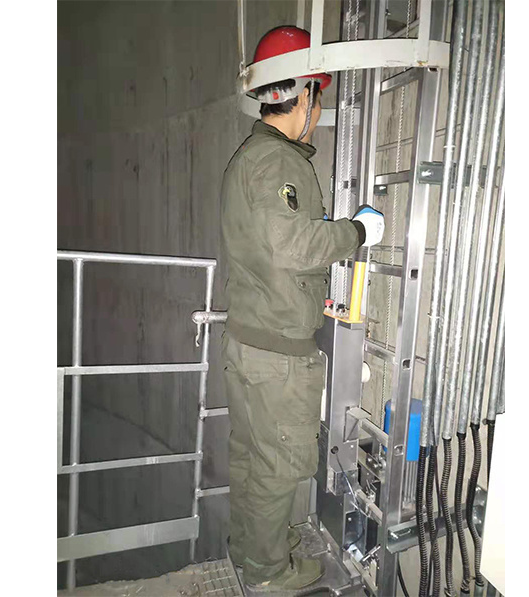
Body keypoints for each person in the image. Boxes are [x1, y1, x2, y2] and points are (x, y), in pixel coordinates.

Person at [220, 26, 385, 592]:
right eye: (317, 92)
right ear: (305, 93)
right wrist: (356, 232)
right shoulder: (276, 161)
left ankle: (252, 549)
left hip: (251, 342)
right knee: (277, 465)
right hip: (277, 356)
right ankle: (268, 574)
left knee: (251, 457)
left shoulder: (250, 160)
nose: (318, 108)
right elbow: (292, 245)